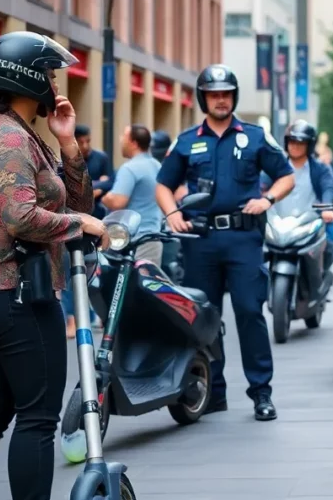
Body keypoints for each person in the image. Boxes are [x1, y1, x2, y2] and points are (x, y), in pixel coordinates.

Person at [0, 31, 109, 499]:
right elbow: (22, 218)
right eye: (49, 74)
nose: (54, 84)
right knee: (37, 418)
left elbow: (72, 199)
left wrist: (68, 145)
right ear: (26, 77)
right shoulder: (9, 138)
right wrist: (81, 223)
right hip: (17, 291)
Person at [156, 64, 295, 422]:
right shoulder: (186, 141)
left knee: (250, 312)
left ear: (234, 97)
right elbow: (163, 185)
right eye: (214, 94)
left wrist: (268, 200)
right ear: (204, 98)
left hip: (243, 238)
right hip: (200, 239)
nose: (221, 100)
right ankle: (211, 392)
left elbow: (285, 176)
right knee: (204, 316)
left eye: (227, 94)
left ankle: (261, 393)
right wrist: (172, 213)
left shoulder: (255, 136)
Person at [270, 119, 333, 272]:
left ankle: (319, 282)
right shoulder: (275, 165)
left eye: (301, 142)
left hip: (307, 224)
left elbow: (328, 188)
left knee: (328, 249)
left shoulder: (321, 169)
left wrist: (327, 207)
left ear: (309, 145)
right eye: (292, 141)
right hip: (277, 224)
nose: (295, 146)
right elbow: (262, 184)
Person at [102, 125, 165, 265]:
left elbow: (117, 202)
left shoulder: (130, 168)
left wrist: (105, 198)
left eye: (123, 137)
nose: (120, 141)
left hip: (133, 243)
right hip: (153, 241)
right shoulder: (157, 165)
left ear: (134, 143)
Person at [75, 124, 113, 219]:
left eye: (88, 141)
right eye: (81, 142)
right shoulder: (69, 161)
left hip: (98, 210)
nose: (85, 146)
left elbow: (109, 182)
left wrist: (97, 190)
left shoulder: (101, 158)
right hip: (77, 213)